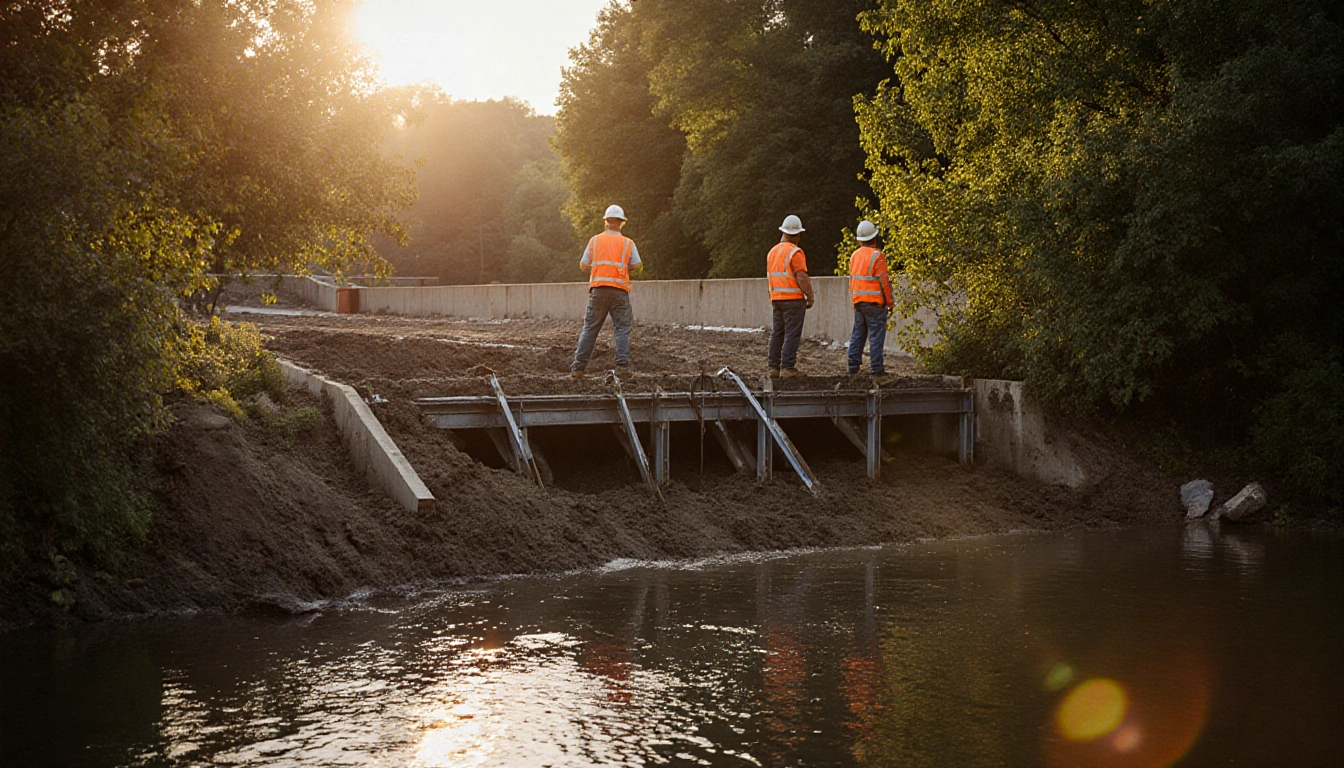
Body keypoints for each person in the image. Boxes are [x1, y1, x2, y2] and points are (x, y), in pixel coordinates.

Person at [571, 204, 643, 377]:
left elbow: (583, 265)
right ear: (622, 223)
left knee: (590, 329)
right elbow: (638, 266)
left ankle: (578, 369)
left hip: (598, 291)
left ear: (606, 222)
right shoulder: (627, 243)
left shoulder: (595, 241)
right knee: (622, 329)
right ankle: (622, 367)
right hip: (619, 292)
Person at [766, 214, 814, 378]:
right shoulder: (795, 252)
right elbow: (801, 276)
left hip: (776, 298)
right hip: (793, 300)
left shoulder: (772, 252)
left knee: (777, 332)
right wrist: (810, 295)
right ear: (797, 235)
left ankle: (773, 367)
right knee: (792, 333)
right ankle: (787, 367)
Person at [846, 220, 894, 382]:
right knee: (876, 335)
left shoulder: (854, 256)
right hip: (874, 302)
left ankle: (853, 365)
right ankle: (877, 370)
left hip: (859, 301)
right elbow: (884, 282)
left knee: (858, 333)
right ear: (875, 237)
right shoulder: (877, 256)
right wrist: (890, 302)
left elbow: (853, 280)